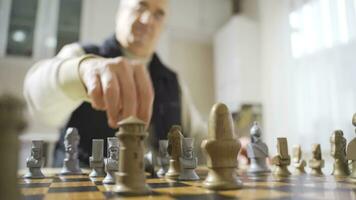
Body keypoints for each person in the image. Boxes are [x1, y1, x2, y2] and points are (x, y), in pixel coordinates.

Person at [24, 0, 206, 167]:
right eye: (140, 7)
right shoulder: (79, 55)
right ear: (120, 12)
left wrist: (229, 147)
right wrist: (79, 72)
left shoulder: (174, 81)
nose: (147, 19)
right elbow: (38, 104)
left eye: (158, 14)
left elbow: (198, 139)